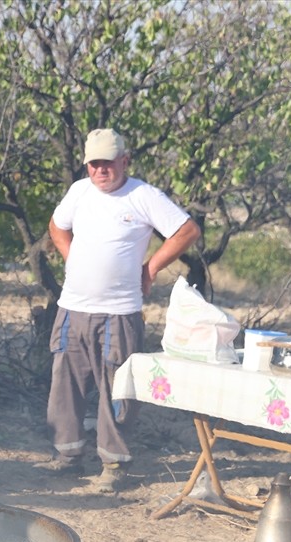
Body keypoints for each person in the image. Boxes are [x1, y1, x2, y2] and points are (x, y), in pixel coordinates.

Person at [45, 128, 200, 491]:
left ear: (124, 161)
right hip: (72, 309)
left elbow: (187, 230)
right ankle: (68, 457)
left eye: (107, 163)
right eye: (94, 164)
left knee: (118, 389)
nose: (100, 171)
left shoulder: (143, 195)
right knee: (64, 385)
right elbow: (56, 227)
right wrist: (72, 258)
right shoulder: (79, 192)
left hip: (119, 312)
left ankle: (113, 466)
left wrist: (152, 267)